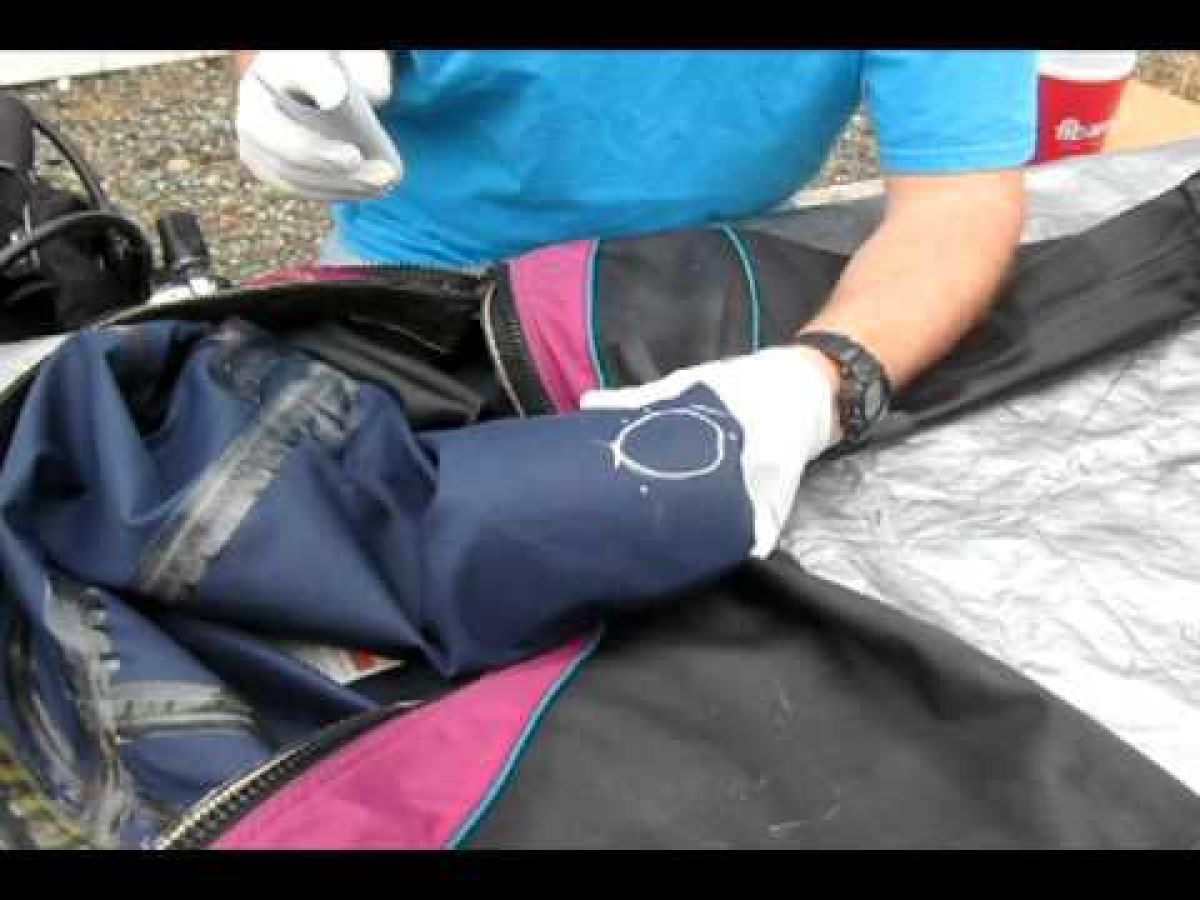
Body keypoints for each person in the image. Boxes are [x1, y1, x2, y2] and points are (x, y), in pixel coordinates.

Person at [232, 50, 1035, 556]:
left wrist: (818, 381)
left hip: (710, 296)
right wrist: (279, 73)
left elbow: (958, 200)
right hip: (410, 288)